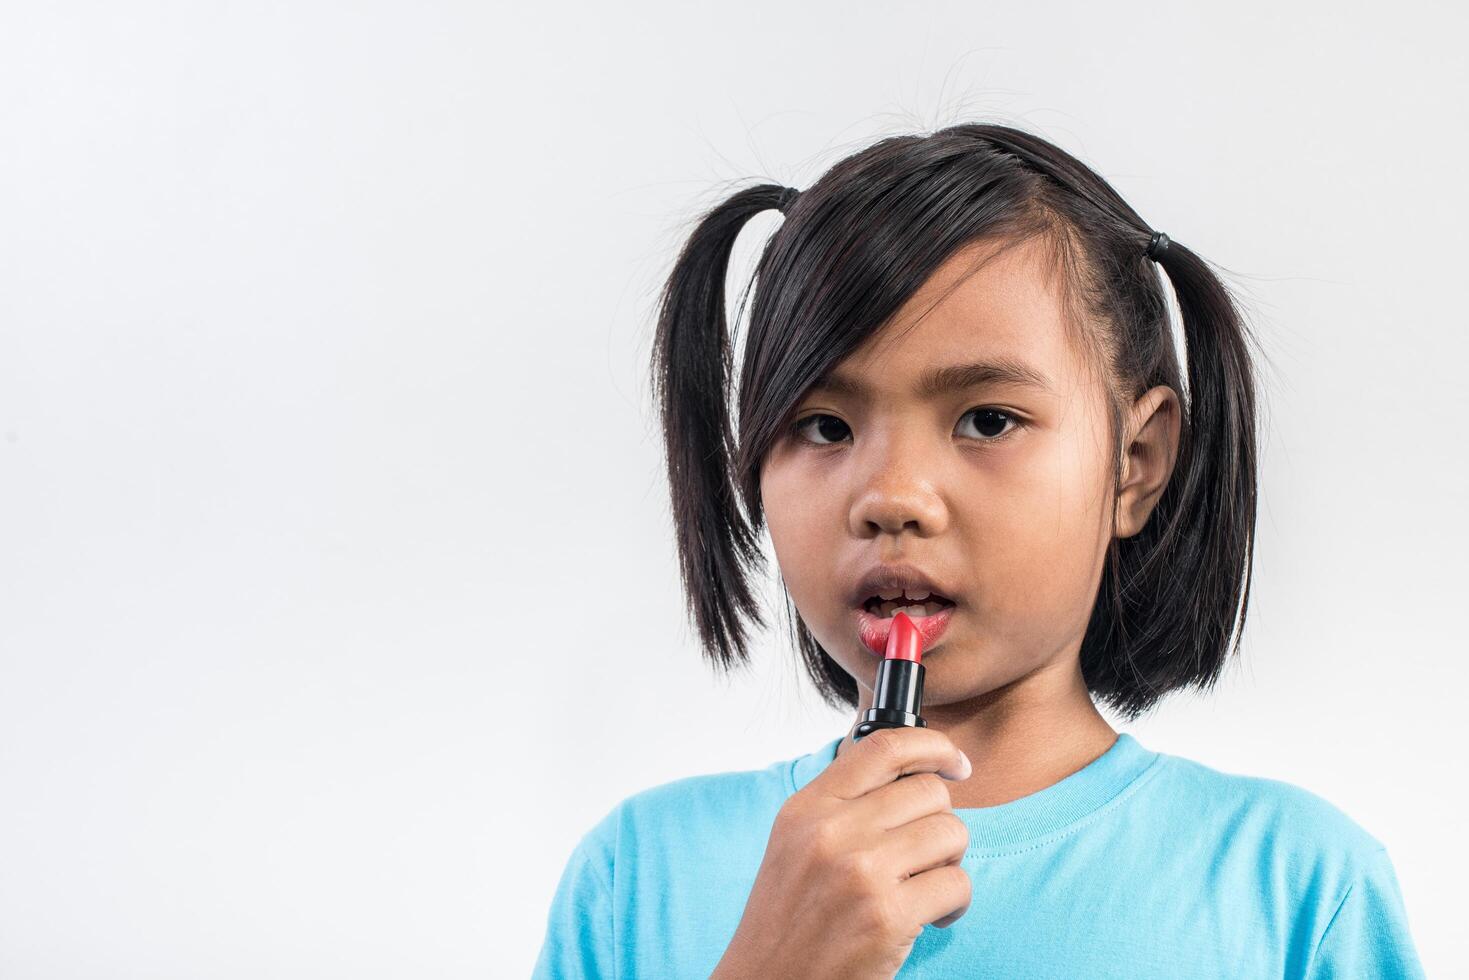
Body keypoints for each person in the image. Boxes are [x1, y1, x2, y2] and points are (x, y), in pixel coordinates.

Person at [531, 123, 1425, 978]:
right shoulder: (636, 877)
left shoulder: (1297, 891)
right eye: (823, 425)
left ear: (1134, 465)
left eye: (986, 420)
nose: (890, 497)